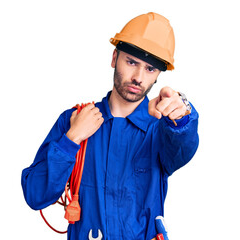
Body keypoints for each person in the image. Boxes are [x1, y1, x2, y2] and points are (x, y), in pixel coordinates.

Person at [21, 12, 199, 240]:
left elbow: (183, 147)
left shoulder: (162, 129)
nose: (138, 77)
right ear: (114, 58)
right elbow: (35, 195)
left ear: (157, 77)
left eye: (150, 69)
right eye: (131, 62)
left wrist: (182, 118)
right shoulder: (73, 120)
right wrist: (71, 140)